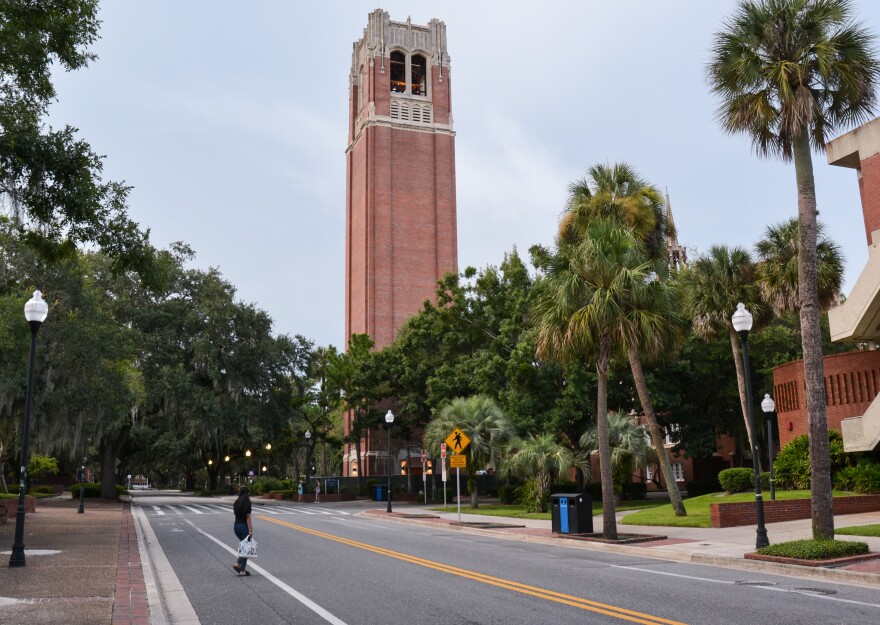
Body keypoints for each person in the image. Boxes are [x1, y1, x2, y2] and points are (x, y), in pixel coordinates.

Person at [232, 486, 253, 576]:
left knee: (244, 546)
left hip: (236, 526)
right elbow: (248, 518)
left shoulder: (236, 502)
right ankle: (242, 570)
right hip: (244, 527)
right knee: (246, 548)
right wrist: (250, 530)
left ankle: (238, 563)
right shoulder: (247, 503)